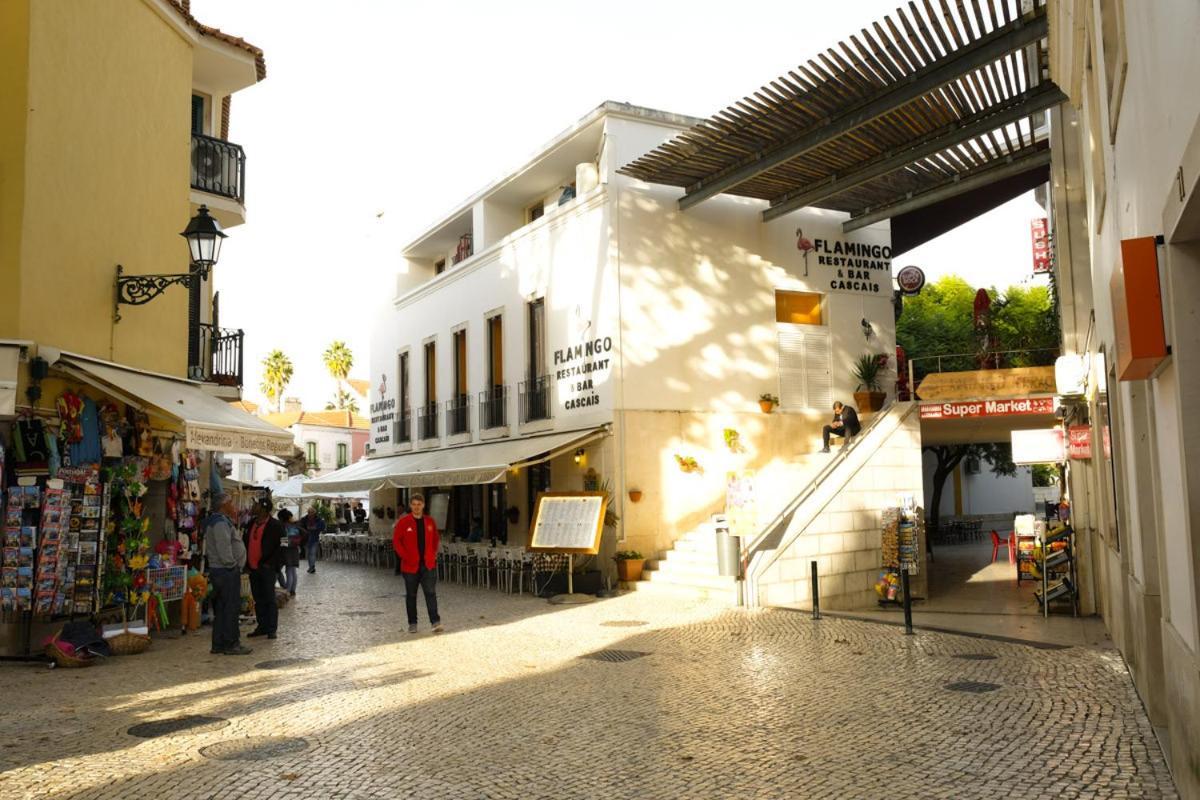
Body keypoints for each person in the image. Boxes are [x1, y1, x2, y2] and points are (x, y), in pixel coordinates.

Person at [203, 492, 251, 655]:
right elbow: (224, 548)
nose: (233, 506)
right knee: (230, 608)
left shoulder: (220, 521)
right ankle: (231, 644)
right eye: (231, 502)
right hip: (226, 571)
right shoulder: (220, 523)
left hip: (221, 571)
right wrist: (233, 565)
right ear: (224, 506)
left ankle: (219, 643)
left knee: (222, 609)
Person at [393, 492, 442, 634]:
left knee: (431, 593)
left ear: (423, 505)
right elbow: (397, 541)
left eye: (419, 504)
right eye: (414, 504)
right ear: (410, 505)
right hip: (410, 566)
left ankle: (435, 622)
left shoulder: (430, 522)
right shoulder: (403, 522)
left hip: (428, 565)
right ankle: (412, 623)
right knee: (411, 595)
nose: (416, 507)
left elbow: (435, 539)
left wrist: (433, 554)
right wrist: (405, 557)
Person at [244, 498, 284, 640]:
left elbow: (283, 546)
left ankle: (271, 629)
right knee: (258, 599)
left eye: (256, 505)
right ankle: (262, 626)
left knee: (269, 599)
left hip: (267, 568)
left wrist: (272, 564)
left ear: (263, 508)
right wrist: (246, 565)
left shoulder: (276, 525)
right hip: (253, 568)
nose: (253, 506)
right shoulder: (251, 524)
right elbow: (245, 542)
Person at [276, 508, 301, 597]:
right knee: (293, 571)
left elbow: (284, 542)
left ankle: (288, 591)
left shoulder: (283, 527)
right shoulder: (294, 526)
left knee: (288, 571)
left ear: (282, 518)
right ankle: (293, 590)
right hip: (295, 550)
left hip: (287, 551)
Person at [300, 506, 325, 573]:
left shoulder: (319, 519)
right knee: (308, 554)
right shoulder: (304, 519)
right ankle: (311, 566)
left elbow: (323, 527)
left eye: (312, 512)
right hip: (306, 539)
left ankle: (312, 567)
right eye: (309, 512)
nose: (310, 514)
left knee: (312, 553)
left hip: (314, 538)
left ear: (314, 513)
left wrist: (316, 528)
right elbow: (300, 527)